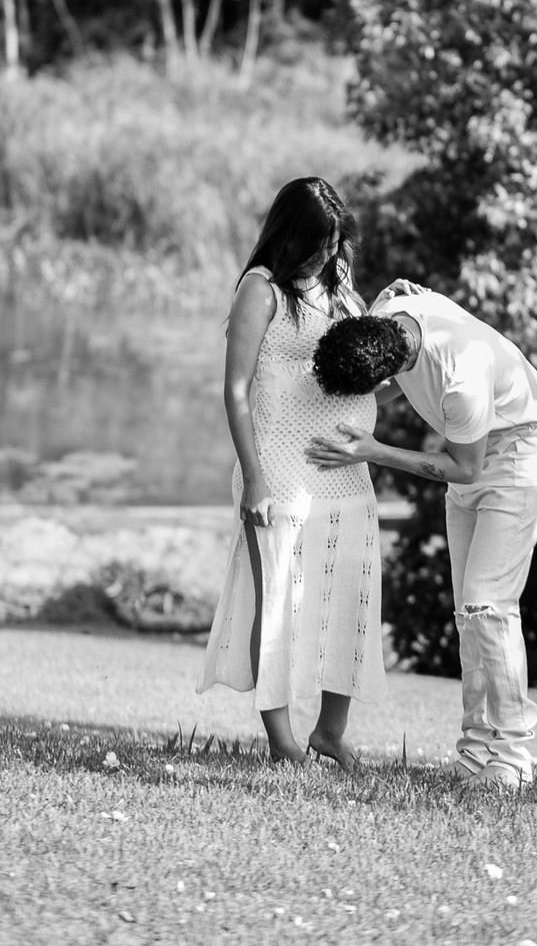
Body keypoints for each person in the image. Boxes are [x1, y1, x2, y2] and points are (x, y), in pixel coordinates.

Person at [307, 283, 537, 788]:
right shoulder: (389, 317)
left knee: (489, 606)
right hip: (473, 452)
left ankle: (513, 759)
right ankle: (474, 752)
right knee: (469, 615)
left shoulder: (460, 378)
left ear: (385, 363)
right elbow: (397, 375)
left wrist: (374, 451)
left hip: (519, 455)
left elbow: (464, 469)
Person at [196, 177, 385, 766]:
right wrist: (253, 478)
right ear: (290, 234)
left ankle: (329, 732)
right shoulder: (262, 290)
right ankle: (282, 742)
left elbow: (370, 368)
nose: (328, 253)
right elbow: (235, 390)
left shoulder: (342, 286)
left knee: (348, 596)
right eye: (319, 242)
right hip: (277, 468)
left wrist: (390, 313)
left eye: (335, 242)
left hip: (346, 472)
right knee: (278, 601)